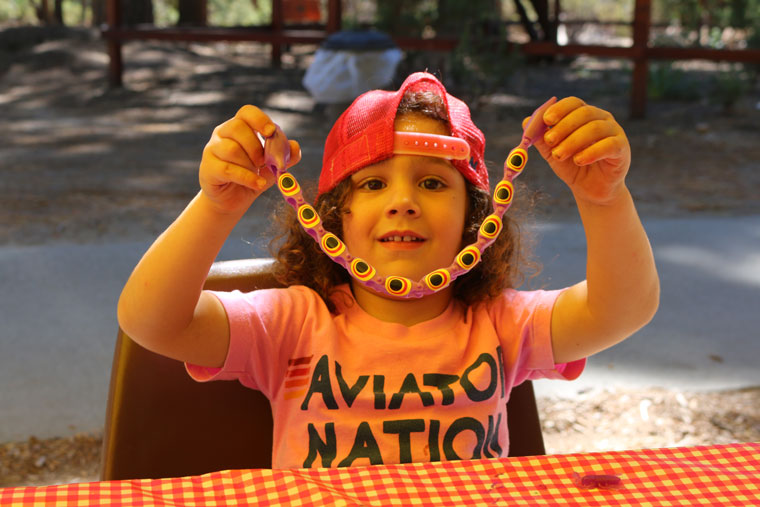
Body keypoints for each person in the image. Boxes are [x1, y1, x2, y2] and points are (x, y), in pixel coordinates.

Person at [118, 72, 659, 469]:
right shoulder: (293, 325)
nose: (402, 201)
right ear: (335, 216)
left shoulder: (501, 323)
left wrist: (605, 200)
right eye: (373, 184)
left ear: (475, 218)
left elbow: (624, 309)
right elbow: (150, 321)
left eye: (432, 182)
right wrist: (217, 206)